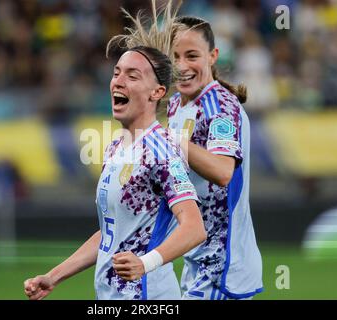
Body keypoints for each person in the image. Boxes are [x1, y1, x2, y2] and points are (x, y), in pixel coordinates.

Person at [24, 3, 206, 300]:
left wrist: (145, 263)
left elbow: (194, 228)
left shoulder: (161, 151)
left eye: (133, 76)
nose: (118, 81)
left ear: (157, 92)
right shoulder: (114, 147)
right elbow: (112, 234)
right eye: (117, 73)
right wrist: (54, 276)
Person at [167, 15, 263, 300]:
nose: (182, 66)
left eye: (191, 56)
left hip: (224, 264)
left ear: (212, 56)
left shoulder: (220, 105)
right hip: (197, 260)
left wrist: (170, 140)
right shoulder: (176, 105)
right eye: (175, 57)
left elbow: (223, 171)